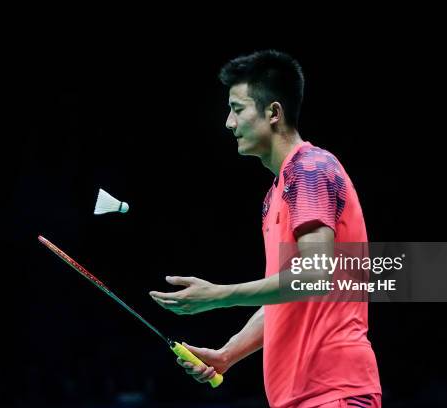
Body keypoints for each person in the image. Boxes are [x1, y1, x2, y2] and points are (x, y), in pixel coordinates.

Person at [149, 50, 381, 408]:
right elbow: (286, 297)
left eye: (238, 109)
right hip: (297, 397)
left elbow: (314, 275)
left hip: (333, 393)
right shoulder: (278, 193)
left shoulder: (311, 169)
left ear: (273, 113)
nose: (228, 123)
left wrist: (218, 296)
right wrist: (228, 354)